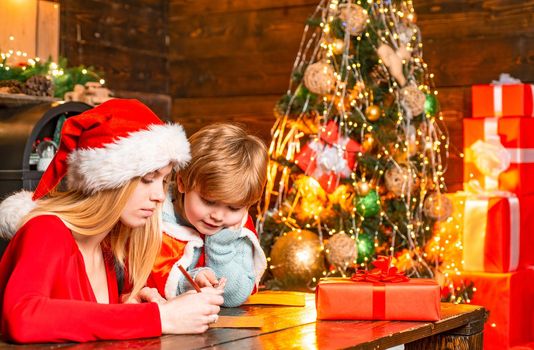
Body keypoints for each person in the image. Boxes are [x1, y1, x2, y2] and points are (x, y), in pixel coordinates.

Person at [0, 99, 224, 343]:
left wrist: (126, 308)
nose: (160, 196)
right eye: (148, 178)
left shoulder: (105, 247)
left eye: (164, 181)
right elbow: (22, 317)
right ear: (108, 182)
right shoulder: (46, 229)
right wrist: (160, 317)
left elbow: (76, 322)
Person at [148, 123, 268, 307]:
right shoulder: (154, 216)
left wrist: (221, 247)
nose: (218, 216)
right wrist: (191, 282)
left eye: (234, 208)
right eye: (209, 201)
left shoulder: (236, 228)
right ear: (182, 182)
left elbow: (236, 296)